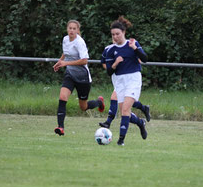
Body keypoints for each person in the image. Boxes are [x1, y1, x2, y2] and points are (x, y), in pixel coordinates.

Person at [53, 20, 105, 136]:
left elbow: (84, 60)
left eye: (74, 28)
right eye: (70, 28)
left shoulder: (80, 42)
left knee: (83, 107)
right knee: (62, 97)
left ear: (77, 30)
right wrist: (60, 61)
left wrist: (66, 63)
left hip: (83, 78)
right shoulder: (65, 39)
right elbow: (66, 53)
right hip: (70, 75)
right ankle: (60, 127)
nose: (71, 30)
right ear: (67, 29)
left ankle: (99, 102)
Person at [103, 16, 148, 146]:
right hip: (120, 82)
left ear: (123, 32)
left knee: (125, 110)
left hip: (133, 79)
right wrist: (115, 63)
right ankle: (140, 123)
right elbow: (109, 72)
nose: (115, 36)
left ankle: (121, 140)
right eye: (113, 34)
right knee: (125, 111)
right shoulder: (111, 50)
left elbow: (144, 59)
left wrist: (135, 48)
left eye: (117, 34)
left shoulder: (132, 43)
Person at [99, 42, 151, 129]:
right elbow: (103, 62)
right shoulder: (108, 49)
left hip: (127, 80)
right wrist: (112, 67)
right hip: (117, 80)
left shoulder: (128, 47)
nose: (116, 38)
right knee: (125, 110)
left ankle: (108, 122)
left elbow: (140, 59)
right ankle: (141, 118)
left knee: (114, 98)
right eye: (114, 35)